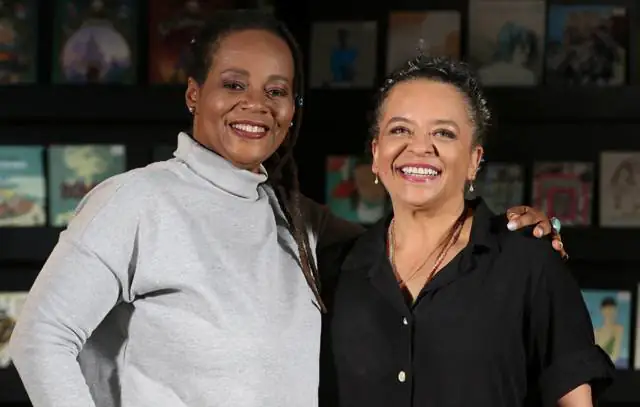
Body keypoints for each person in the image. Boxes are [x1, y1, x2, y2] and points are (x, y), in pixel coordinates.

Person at [10, 10, 564, 407]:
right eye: (234, 84)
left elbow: (416, 236)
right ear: (193, 94)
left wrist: (517, 229)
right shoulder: (134, 202)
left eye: (277, 91)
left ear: (293, 109)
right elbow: (40, 339)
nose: (256, 104)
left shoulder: (296, 219)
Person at [318, 56, 614, 407]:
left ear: (474, 160)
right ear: (376, 153)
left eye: (443, 133)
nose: (419, 147)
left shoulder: (529, 264)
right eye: (400, 129)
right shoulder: (338, 272)